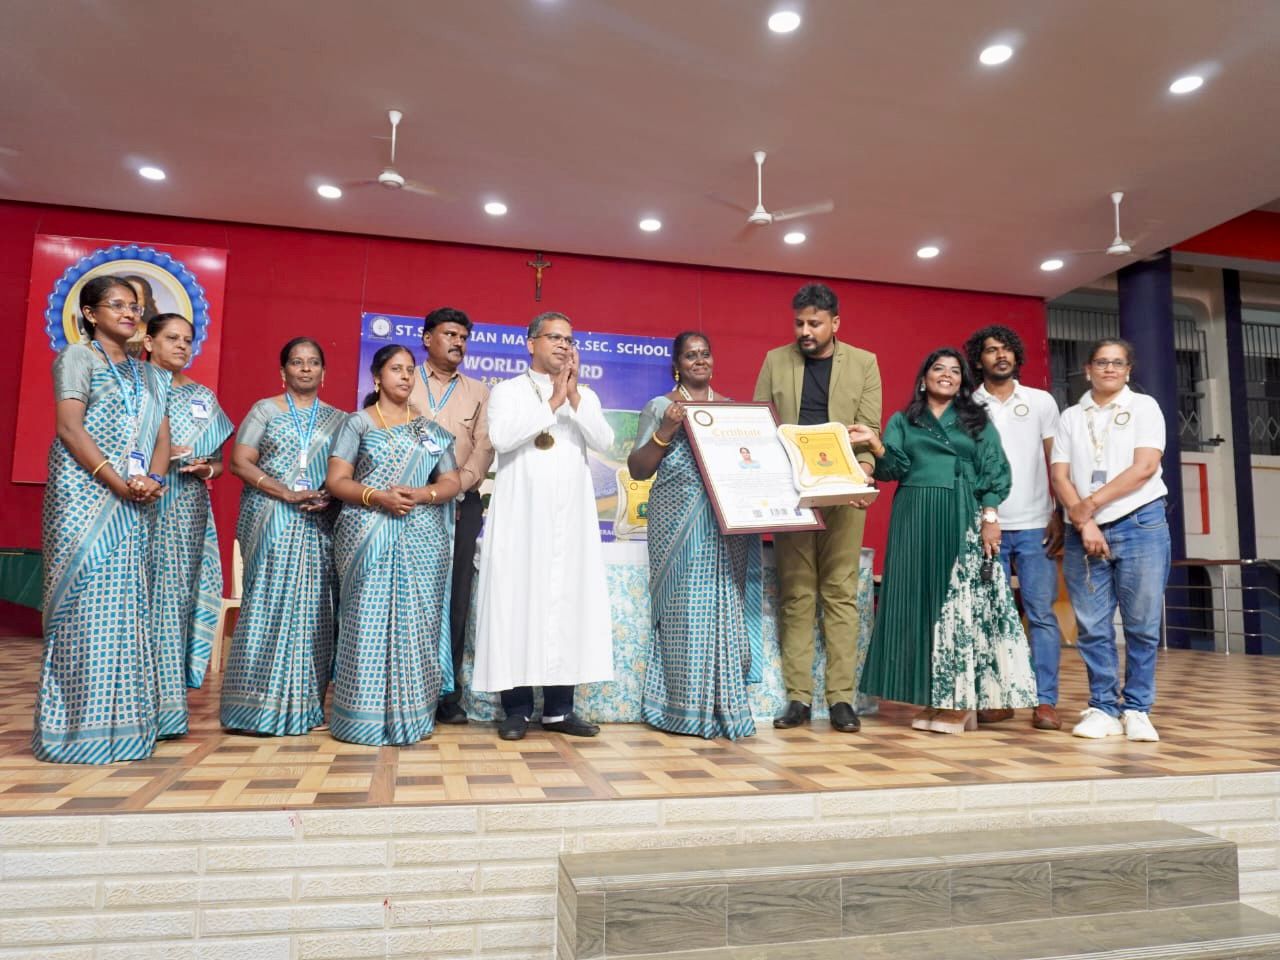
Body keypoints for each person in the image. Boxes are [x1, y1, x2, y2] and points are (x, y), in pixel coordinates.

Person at [853, 348, 1036, 733]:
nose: (947, 375)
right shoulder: (904, 420)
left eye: (955, 371)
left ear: (962, 383)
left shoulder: (976, 420)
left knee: (958, 606)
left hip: (959, 512)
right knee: (918, 604)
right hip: (913, 515)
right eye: (939, 368)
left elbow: (995, 469)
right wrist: (875, 443)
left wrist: (990, 516)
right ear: (924, 378)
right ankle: (932, 699)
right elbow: (892, 469)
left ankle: (961, 702)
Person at [33, 276, 171, 763]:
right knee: (84, 606)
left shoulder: (149, 374)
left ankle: (126, 729)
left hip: (138, 498)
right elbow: (69, 428)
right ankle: (73, 729)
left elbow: (161, 437)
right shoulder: (77, 357)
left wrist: (154, 477)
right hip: (84, 495)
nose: (130, 313)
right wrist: (116, 481)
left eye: (134, 306)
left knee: (127, 608)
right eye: (118, 305)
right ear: (91, 314)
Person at [473, 311, 614, 741]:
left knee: (564, 605)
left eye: (568, 339)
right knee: (516, 604)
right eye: (553, 337)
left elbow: (605, 442)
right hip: (520, 518)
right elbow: (501, 438)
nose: (562, 345)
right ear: (530, 343)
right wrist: (551, 402)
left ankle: (558, 710)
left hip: (570, 523)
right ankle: (516, 710)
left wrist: (571, 398)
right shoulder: (509, 392)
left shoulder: (583, 396)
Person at [753, 282, 881, 734]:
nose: (805, 331)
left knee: (841, 595)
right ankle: (798, 698)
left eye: (814, 323)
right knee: (797, 595)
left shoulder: (864, 363)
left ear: (835, 324)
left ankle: (842, 698)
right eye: (799, 323)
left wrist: (865, 467)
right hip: (791, 494)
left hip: (845, 492)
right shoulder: (775, 360)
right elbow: (759, 423)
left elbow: (870, 430)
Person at [628, 331, 761, 740]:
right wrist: (665, 431)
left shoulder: (734, 411)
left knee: (725, 610)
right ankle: (682, 710)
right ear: (677, 364)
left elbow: (751, 467)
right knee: (685, 612)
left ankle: (725, 709)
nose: (699, 360)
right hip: (677, 523)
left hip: (726, 525)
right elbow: (638, 469)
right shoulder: (661, 406)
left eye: (705, 354)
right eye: (690, 355)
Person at [325, 345, 461, 745]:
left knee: (418, 624)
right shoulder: (358, 424)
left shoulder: (431, 432)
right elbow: (337, 481)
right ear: (377, 377)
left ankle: (414, 715)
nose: (404, 376)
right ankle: (360, 719)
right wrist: (377, 497)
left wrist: (421, 495)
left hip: (423, 537)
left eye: (409, 370)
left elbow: (450, 482)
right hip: (368, 534)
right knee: (364, 621)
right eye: (395, 369)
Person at [220, 338, 343, 735]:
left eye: (312, 363)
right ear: (283, 371)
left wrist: (328, 495)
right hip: (272, 517)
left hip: (317, 523)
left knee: (313, 614)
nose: (305, 368)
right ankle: (251, 709)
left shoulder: (340, 420)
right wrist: (285, 492)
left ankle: (304, 708)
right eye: (296, 362)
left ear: (324, 373)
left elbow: (346, 473)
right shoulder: (265, 410)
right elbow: (240, 461)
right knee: (266, 607)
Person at [1051, 338, 1170, 742]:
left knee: (1141, 624)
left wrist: (1089, 507)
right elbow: (1060, 476)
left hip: (1141, 523)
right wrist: (1084, 522)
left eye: (1117, 363)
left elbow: (1145, 468)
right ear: (1088, 369)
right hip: (1084, 529)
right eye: (1101, 362)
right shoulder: (1070, 416)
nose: (1109, 369)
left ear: (1128, 370)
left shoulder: (1144, 407)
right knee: (1092, 625)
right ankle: (1103, 706)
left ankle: (1137, 708)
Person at [966, 325, 1065, 731]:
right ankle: (998, 698)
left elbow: (1056, 461)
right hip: (984, 528)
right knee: (988, 616)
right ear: (979, 360)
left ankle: (1045, 702)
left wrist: (1059, 512)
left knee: (1041, 614)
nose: (1000, 356)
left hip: (1036, 525)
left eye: (1006, 349)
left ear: (1016, 356)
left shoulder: (1040, 401)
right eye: (991, 350)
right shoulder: (969, 404)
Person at [146, 313, 234, 738]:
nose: (182, 346)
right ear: (148, 340)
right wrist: (157, 455)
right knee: (141, 599)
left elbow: (220, 462)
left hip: (188, 508)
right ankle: (132, 701)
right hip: (142, 503)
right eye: (172, 338)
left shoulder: (202, 395)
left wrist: (206, 468)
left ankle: (169, 709)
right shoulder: (133, 386)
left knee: (177, 604)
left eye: (188, 339)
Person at [406, 307, 494, 726]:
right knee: (408, 595)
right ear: (427, 338)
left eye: (463, 335)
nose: (458, 342)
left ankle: (448, 695)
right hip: (405, 503)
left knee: (454, 600)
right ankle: (406, 686)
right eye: (449, 334)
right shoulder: (404, 380)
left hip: (461, 503)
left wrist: (459, 485)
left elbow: (484, 445)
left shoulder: (479, 391)